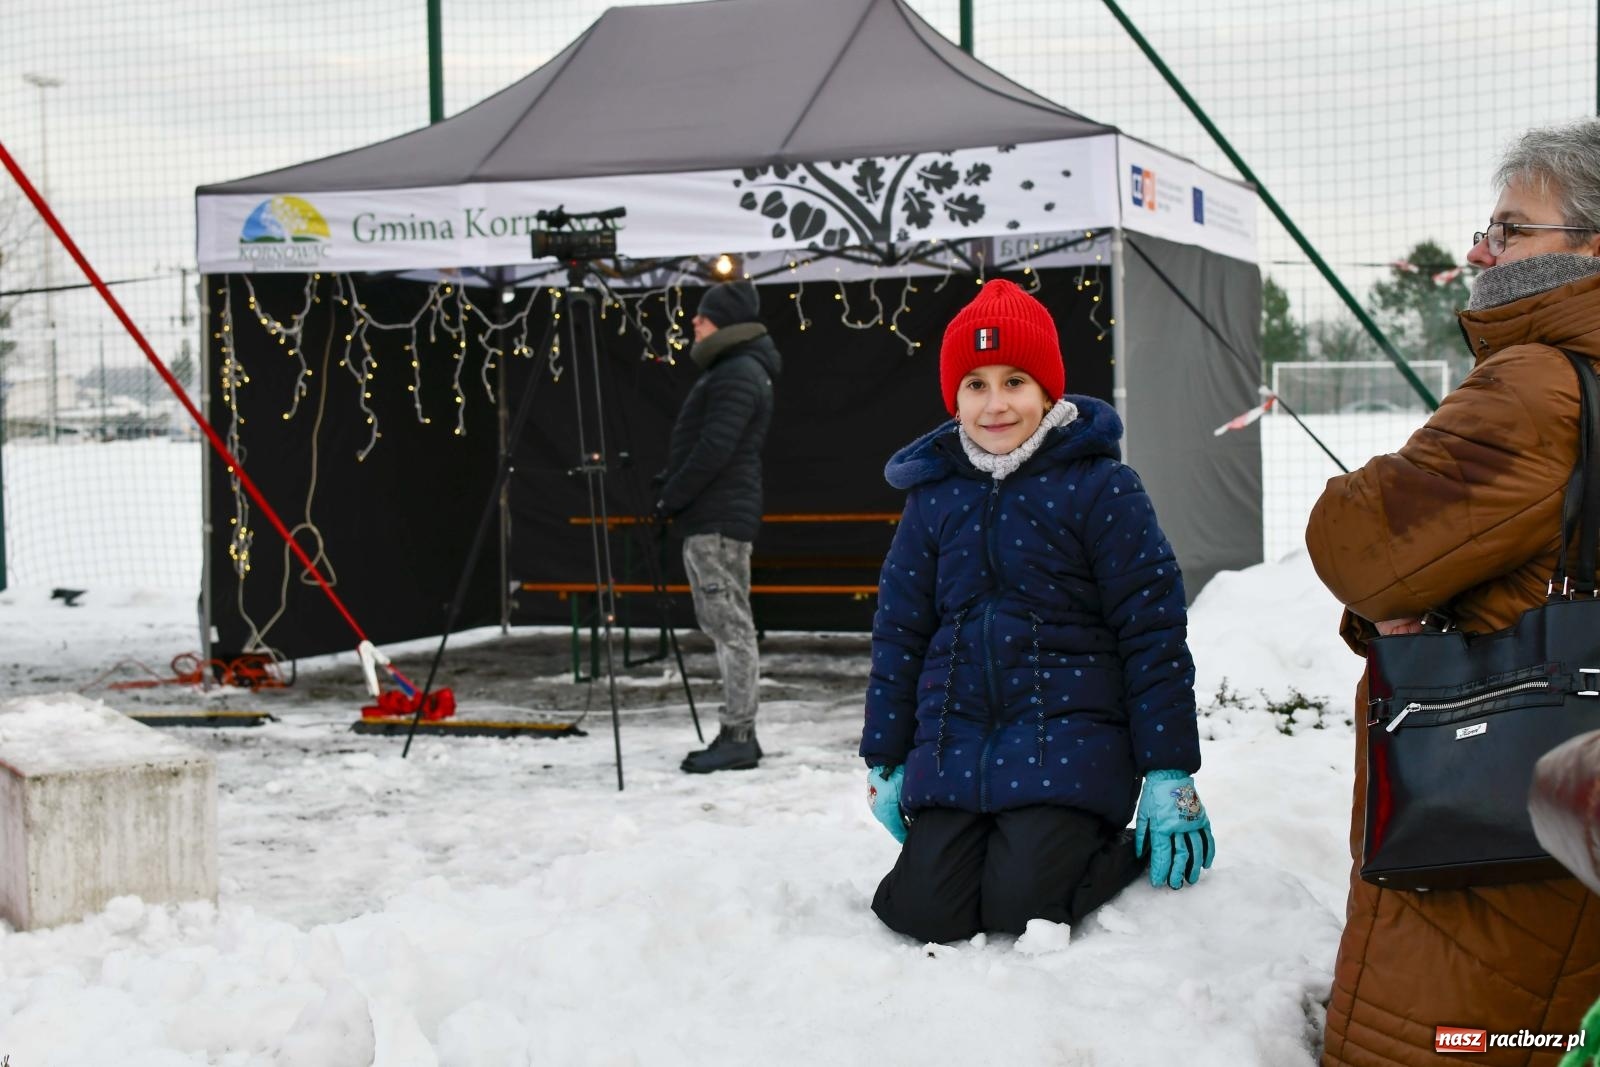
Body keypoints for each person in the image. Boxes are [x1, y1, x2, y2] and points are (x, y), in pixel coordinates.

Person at [1307, 118, 1600, 1067]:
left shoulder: (1536, 387)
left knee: (1447, 1035)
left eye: (1512, 230)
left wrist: (1401, 607)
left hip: (1494, 831)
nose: (1480, 249)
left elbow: (1356, 544)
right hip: (1576, 820)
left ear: (1592, 247)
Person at [859, 277, 1214, 943]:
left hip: (1072, 745)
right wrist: (885, 755)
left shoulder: (1101, 488)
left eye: (1015, 381)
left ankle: (1115, 842)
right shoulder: (934, 499)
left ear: (1048, 389)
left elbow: (1151, 629)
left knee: (1025, 902)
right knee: (919, 910)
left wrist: (1170, 768)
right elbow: (901, 631)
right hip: (956, 745)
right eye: (976, 384)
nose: (995, 404)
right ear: (954, 396)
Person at [655, 279, 781, 774]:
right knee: (729, 624)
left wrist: (673, 495)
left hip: (718, 517)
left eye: (703, 317)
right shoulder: (737, 370)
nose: (694, 322)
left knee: (730, 627)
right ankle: (737, 731)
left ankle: (738, 734)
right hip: (718, 512)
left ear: (724, 324)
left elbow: (715, 449)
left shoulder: (737, 373)